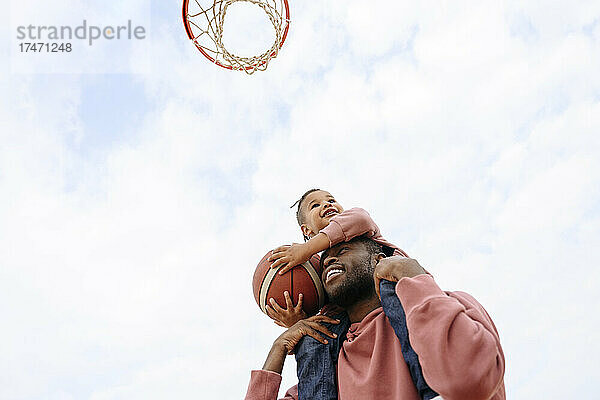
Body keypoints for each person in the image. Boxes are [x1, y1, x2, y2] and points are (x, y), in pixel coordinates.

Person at [244, 236, 506, 400]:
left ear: (379, 259)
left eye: (344, 250)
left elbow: (467, 381)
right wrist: (277, 351)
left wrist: (413, 277)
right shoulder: (324, 370)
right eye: (323, 261)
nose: (329, 259)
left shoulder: (450, 304)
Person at [264, 189, 438, 399]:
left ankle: (430, 386)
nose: (327, 204)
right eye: (315, 205)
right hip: (349, 315)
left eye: (331, 200)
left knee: (397, 302)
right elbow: (329, 299)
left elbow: (360, 218)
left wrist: (305, 249)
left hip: (391, 284)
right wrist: (299, 321)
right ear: (306, 229)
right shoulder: (322, 270)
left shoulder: (359, 226)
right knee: (315, 338)